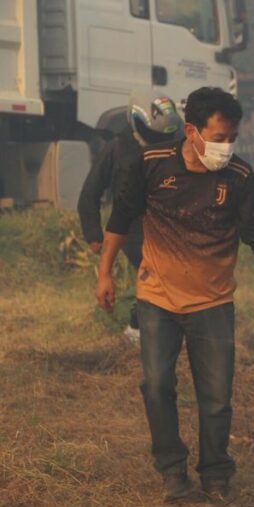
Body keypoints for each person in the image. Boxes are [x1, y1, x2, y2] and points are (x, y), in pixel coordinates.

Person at [95, 87, 254, 504]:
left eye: (231, 139)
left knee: (217, 396)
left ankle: (216, 474)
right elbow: (120, 218)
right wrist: (105, 273)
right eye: (218, 137)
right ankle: (172, 471)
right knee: (156, 386)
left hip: (214, 304)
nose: (226, 147)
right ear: (191, 131)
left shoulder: (238, 178)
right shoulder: (151, 165)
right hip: (157, 299)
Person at [78, 91, 183, 340]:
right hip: (132, 229)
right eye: (154, 135)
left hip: (169, 226)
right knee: (154, 274)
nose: (159, 140)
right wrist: (93, 234)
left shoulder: (177, 148)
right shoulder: (117, 149)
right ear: (136, 123)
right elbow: (89, 193)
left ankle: (145, 328)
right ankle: (138, 329)